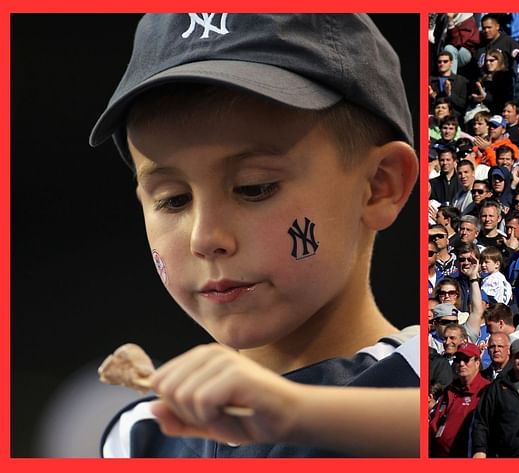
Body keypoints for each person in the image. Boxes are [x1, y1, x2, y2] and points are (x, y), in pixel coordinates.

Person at [89, 14, 420, 458]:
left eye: (254, 187)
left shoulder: (431, 376)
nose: (205, 237)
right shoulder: (140, 436)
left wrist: (296, 412)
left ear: (381, 185)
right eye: (173, 199)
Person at [429, 342, 491, 457]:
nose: (462, 364)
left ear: (477, 363)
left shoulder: (486, 390)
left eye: (466, 360)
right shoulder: (451, 389)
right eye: (458, 360)